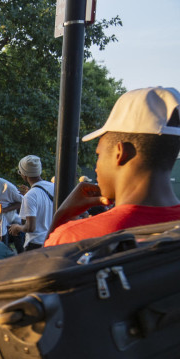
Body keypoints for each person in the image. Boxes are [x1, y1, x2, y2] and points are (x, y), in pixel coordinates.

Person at [46, 86, 180, 246]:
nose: (96, 167)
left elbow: (37, 266)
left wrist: (60, 217)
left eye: (99, 154)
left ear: (120, 153)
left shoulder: (74, 237)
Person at [9, 155, 54, 251]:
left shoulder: (29, 196)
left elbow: (30, 227)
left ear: (24, 174)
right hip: (53, 241)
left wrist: (17, 227)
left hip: (36, 244)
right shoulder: (54, 187)